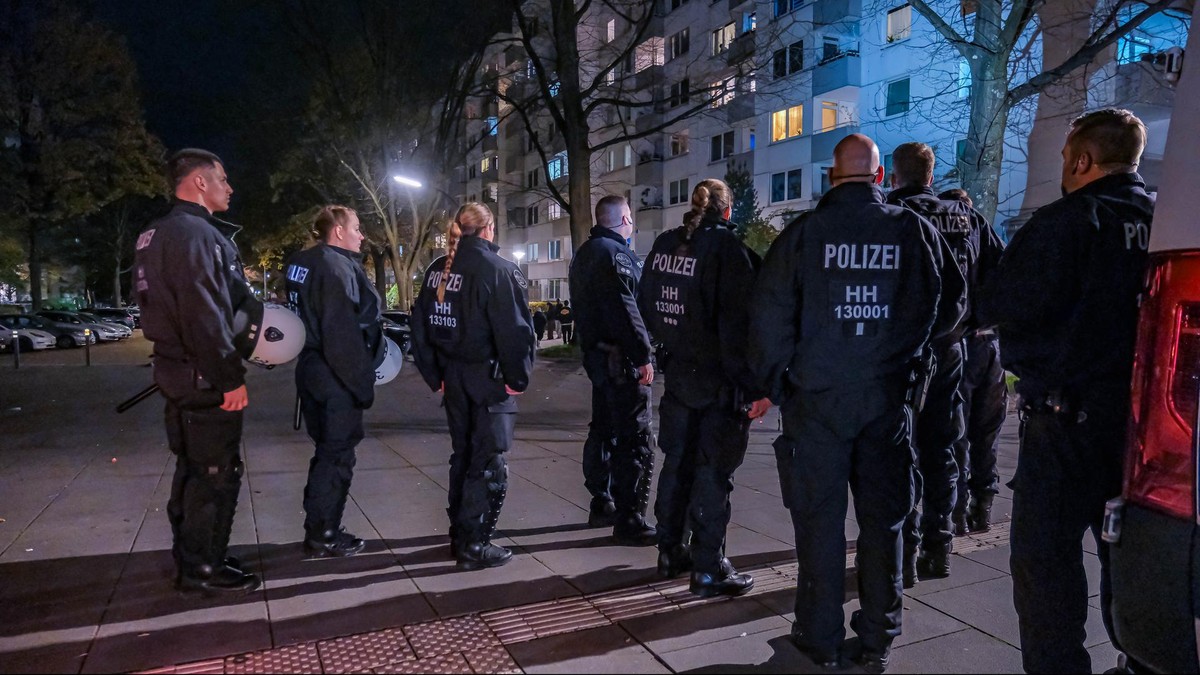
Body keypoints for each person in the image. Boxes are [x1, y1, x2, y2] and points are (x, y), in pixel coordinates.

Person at [751, 134, 955, 672]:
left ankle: (818, 636)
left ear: (830, 178)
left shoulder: (803, 235)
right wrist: (905, 356)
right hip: (886, 400)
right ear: (880, 177)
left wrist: (782, 383)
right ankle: (878, 637)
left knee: (818, 522)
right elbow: (949, 304)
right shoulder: (913, 232)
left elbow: (768, 319)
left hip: (817, 401)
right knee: (883, 523)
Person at [978, 108, 1154, 674]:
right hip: (1143, 426)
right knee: (1129, 556)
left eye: (1064, 158)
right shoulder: (1162, 218)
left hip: (1066, 423)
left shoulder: (1065, 221)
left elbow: (1005, 306)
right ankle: (1139, 660)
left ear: (1082, 160)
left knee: (1045, 563)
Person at [134, 148, 259, 596]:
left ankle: (194, 557)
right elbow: (204, 315)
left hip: (176, 371)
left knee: (191, 472)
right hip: (203, 376)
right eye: (222, 179)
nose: (229, 187)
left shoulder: (154, 233)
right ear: (200, 182)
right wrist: (229, 378)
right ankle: (203, 569)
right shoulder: (197, 235)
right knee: (214, 476)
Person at [639, 179, 771, 598]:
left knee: (676, 463)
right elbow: (741, 327)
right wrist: (753, 386)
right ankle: (709, 567)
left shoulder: (664, 244)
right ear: (728, 211)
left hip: (679, 375)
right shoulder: (728, 251)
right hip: (719, 383)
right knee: (713, 474)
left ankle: (669, 552)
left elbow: (647, 304)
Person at [885, 143, 991, 585]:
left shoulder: (890, 215)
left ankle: (903, 553)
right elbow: (995, 276)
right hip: (951, 349)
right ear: (930, 175)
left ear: (895, 176)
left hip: (900, 352)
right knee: (941, 448)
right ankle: (938, 547)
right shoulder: (966, 217)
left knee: (898, 451)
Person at [411, 203, 536, 570]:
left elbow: (420, 329)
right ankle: (474, 544)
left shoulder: (438, 270)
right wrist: (518, 379)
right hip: (487, 379)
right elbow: (515, 332)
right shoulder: (498, 270)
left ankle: (459, 534)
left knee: (463, 456)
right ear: (488, 230)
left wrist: (436, 376)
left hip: (454, 378)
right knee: (487, 462)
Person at [285, 205, 382, 559]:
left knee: (326, 452)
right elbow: (342, 333)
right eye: (356, 228)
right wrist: (362, 384)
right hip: (334, 373)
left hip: (311, 368)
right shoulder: (335, 266)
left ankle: (319, 526)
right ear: (338, 231)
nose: (361, 235)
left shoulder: (302, 261)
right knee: (336, 456)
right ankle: (325, 533)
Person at [568, 195, 656, 542]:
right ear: (622, 219)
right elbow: (625, 308)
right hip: (623, 360)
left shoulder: (585, 254)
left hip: (598, 359)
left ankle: (601, 502)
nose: (632, 224)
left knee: (602, 431)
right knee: (634, 438)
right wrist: (643, 354)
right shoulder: (616, 254)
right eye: (630, 217)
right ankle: (629, 518)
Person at [937, 188, 1008, 535]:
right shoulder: (984, 232)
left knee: (959, 431)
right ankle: (984, 505)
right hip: (989, 345)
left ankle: (960, 512)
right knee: (987, 431)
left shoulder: (942, 232)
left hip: (961, 344)